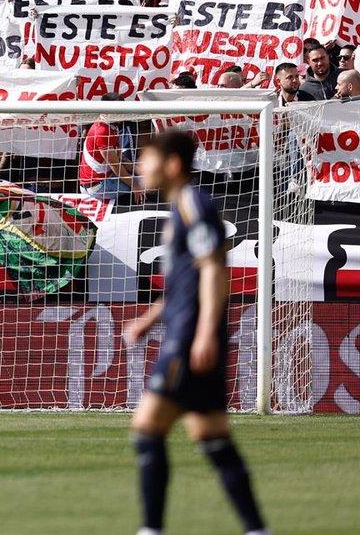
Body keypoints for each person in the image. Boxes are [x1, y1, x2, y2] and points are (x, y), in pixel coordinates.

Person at [122, 129, 269, 535]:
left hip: (188, 339)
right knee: (211, 436)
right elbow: (184, 282)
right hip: (189, 334)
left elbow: (214, 270)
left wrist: (204, 333)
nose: (139, 166)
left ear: (171, 165)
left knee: (147, 428)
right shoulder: (180, 208)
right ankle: (257, 530)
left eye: (147, 158)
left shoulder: (193, 203)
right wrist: (149, 319)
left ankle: (151, 529)